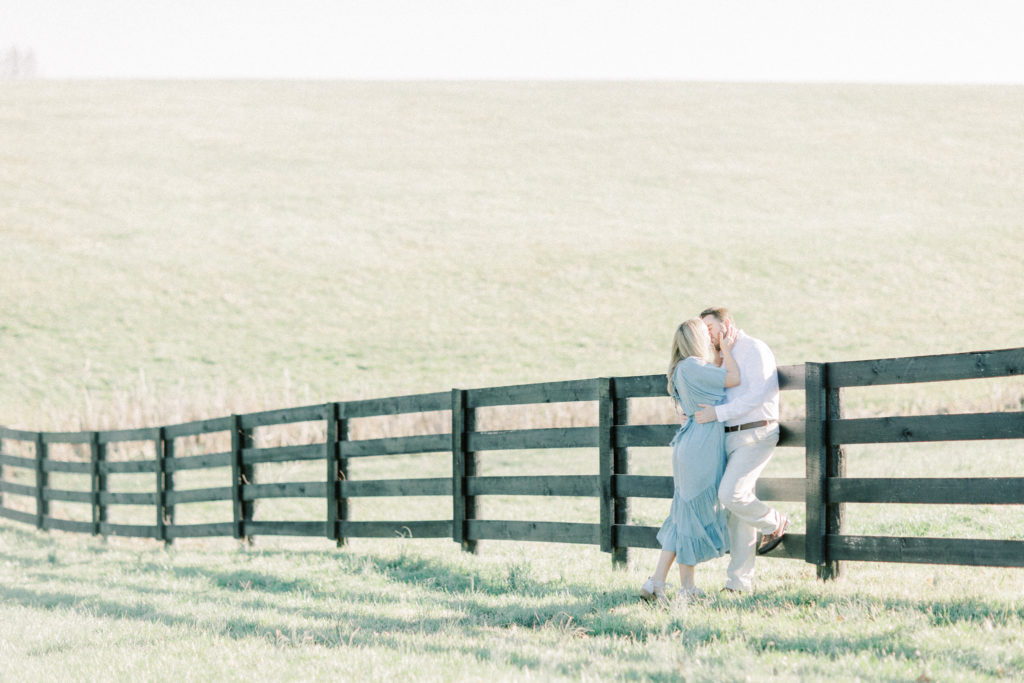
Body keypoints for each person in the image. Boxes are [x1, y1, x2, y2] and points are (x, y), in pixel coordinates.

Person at [640, 318, 740, 604]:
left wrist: (720, 355)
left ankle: (658, 582)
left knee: (682, 515)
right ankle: (687, 589)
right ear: (698, 340)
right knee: (691, 517)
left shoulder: (682, 369)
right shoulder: (695, 366)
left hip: (688, 443)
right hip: (702, 447)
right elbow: (734, 379)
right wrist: (728, 350)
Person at [694, 307, 788, 593]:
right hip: (730, 437)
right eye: (703, 329)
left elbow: (759, 394)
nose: (706, 334)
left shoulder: (755, 348)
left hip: (757, 432)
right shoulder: (723, 357)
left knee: (731, 494)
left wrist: (718, 413)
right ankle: (738, 584)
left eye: (710, 327)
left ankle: (775, 521)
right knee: (736, 510)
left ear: (727, 323)